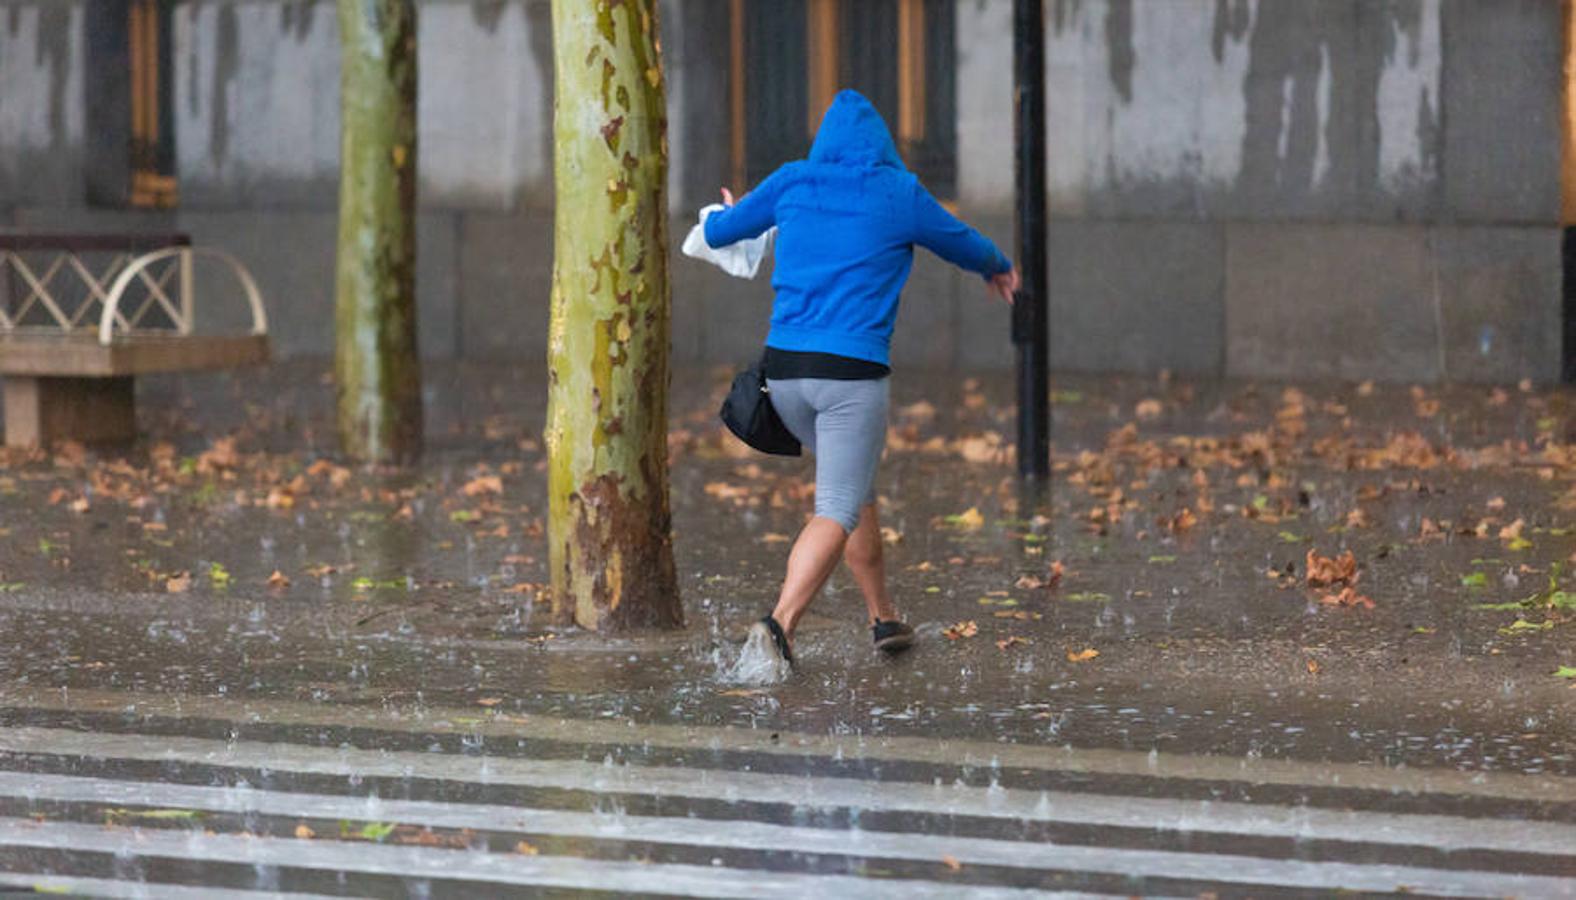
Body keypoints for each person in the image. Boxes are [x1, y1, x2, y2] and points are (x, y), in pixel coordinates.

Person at [703, 89, 1019, 672]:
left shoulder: (792, 181)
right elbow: (961, 241)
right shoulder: (898, 192)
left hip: (784, 378)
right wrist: (998, 267)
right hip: (850, 380)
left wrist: (731, 209)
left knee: (855, 492)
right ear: (882, 146)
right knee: (837, 507)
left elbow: (721, 233)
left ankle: (883, 618)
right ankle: (778, 627)